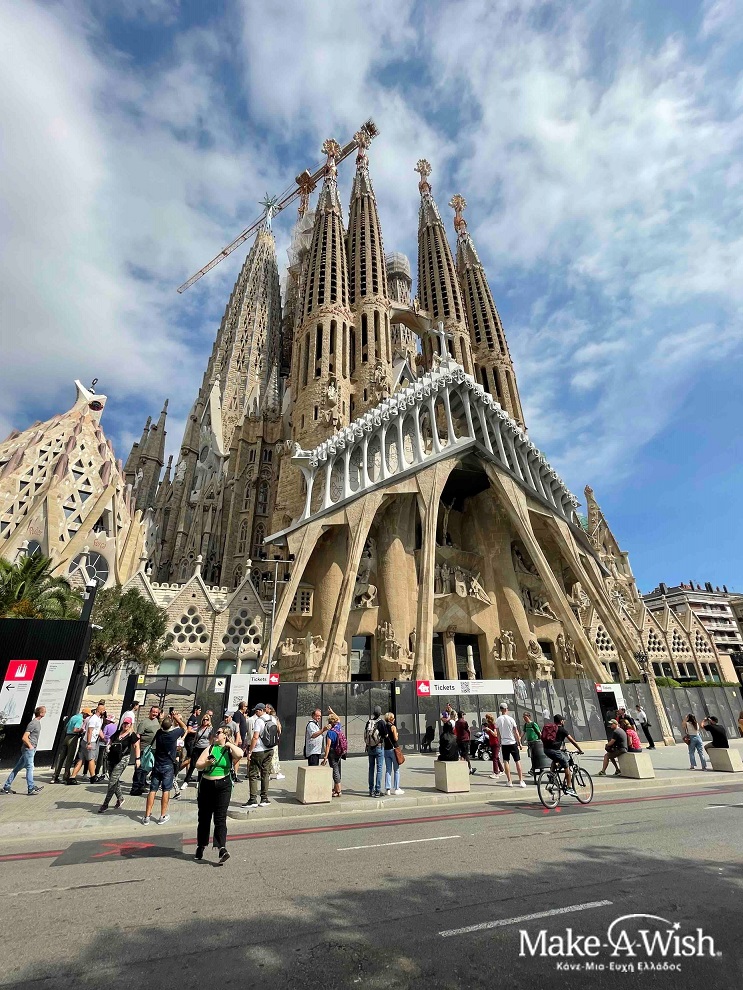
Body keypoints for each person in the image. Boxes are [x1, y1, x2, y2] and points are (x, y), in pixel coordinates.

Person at [194, 725, 243, 865]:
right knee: (204, 817)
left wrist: (229, 744)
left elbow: (240, 754)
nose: (216, 734)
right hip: (206, 785)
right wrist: (207, 762)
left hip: (223, 785)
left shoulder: (229, 750)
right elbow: (198, 765)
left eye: (219, 732)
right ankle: (201, 845)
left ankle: (222, 848)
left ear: (225, 735)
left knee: (220, 818)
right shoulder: (210, 748)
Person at [143, 711, 186, 825]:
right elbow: (184, 727)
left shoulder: (159, 733)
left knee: (153, 790)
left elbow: (164, 725)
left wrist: (169, 719)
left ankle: (147, 816)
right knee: (166, 790)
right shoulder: (173, 734)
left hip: (157, 764)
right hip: (168, 765)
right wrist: (176, 718)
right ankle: (162, 815)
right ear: (171, 726)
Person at [98, 716, 140, 813]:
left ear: (130, 725)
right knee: (114, 779)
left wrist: (137, 759)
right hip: (112, 758)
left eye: (127, 724)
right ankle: (120, 798)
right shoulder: (117, 732)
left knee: (112, 781)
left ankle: (105, 804)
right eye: (124, 723)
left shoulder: (132, 735)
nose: (125, 725)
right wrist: (108, 746)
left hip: (123, 759)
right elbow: (111, 741)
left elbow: (137, 746)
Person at [1, 706, 46, 796]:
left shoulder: (37, 723)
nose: (45, 713)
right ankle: (31, 788)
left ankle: (6, 786)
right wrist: (30, 746)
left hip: (30, 749)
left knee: (17, 768)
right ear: (40, 713)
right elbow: (24, 737)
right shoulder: (33, 723)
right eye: (44, 711)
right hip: (28, 749)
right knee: (30, 767)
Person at [245, 703, 279, 808]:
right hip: (270, 749)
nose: (256, 713)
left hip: (258, 750)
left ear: (261, 710)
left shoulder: (259, 721)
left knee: (253, 774)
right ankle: (264, 798)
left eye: (257, 711)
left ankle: (253, 799)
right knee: (265, 774)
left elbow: (255, 737)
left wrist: (250, 751)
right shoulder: (273, 719)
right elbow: (278, 730)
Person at [541, 714, 583, 795]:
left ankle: (551, 775)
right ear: (561, 721)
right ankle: (569, 788)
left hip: (546, 750)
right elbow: (572, 741)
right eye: (563, 720)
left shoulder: (551, 728)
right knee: (566, 766)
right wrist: (580, 750)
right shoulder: (562, 730)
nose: (564, 721)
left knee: (556, 759)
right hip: (555, 751)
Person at [68, 700, 105, 784]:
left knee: (81, 759)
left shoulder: (98, 719)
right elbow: (89, 731)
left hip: (88, 740)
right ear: (99, 710)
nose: (104, 712)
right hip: (90, 741)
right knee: (91, 759)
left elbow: (98, 730)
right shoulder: (93, 719)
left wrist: (103, 737)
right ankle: (93, 777)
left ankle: (72, 777)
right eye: (103, 710)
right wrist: (89, 743)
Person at [130, 704, 161, 795]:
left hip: (153, 749)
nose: (154, 714)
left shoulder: (157, 721)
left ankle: (141, 785)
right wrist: (137, 749)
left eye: (156, 712)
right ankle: (135, 788)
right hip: (144, 749)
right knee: (139, 769)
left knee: (146, 769)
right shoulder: (144, 723)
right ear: (150, 712)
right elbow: (138, 736)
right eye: (153, 712)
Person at [52, 705, 88, 783]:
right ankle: (66, 776)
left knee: (61, 757)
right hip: (73, 738)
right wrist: (81, 730)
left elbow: (66, 727)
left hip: (67, 737)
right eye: (87, 715)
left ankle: (55, 776)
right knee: (69, 758)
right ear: (84, 714)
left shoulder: (73, 717)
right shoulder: (80, 719)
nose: (87, 717)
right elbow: (75, 729)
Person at [496, 703, 526, 787]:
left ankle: (509, 781)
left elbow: (498, 734)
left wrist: (499, 743)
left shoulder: (498, 720)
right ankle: (521, 781)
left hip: (504, 743)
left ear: (501, 709)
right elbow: (516, 732)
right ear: (506, 709)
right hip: (512, 742)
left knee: (506, 761)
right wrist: (519, 743)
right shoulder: (511, 719)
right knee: (517, 761)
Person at [182, 714, 212, 787]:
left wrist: (210, 747)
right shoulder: (199, 728)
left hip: (205, 748)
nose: (205, 721)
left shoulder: (210, 729)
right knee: (192, 764)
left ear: (209, 721)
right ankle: (186, 781)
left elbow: (211, 739)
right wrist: (194, 745)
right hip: (197, 747)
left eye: (207, 720)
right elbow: (195, 737)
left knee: (201, 765)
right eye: (204, 719)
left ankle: (199, 781)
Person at [364, 705, 388, 797]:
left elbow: (366, 734)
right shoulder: (381, 722)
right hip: (379, 747)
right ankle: (377, 790)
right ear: (380, 713)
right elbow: (385, 735)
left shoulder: (369, 722)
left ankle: (371, 790)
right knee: (379, 769)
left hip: (370, 747)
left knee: (371, 768)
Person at [322, 714, 345, 797]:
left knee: (335, 770)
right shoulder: (338, 727)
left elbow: (328, 745)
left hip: (332, 752)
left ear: (330, 723)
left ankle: (338, 790)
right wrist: (331, 712)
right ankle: (335, 789)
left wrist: (325, 757)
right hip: (339, 751)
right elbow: (338, 718)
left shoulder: (330, 732)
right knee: (338, 769)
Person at [383, 712, 404, 795]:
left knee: (388, 769)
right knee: (396, 769)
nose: (394, 719)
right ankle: (396, 788)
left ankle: (387, 789)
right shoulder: (393, 727)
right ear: (391, 719)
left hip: (386, 749)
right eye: (393, 718)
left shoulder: (384, 727)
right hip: (393, 749)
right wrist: (397, 735)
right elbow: (395, 739)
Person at [94, 712, 118, 781]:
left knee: (101, 759)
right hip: (112, 744)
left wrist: (103, 738)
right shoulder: (116, 727)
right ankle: (109, 773)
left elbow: (103, 735)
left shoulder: (107, 726)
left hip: (104, 743)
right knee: (109, 759)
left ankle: (99, 773)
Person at [266, 704, 285, 780]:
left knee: (268, 757)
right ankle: (277, 773)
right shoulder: (275, 718)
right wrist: (278, 735)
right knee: (274, 757)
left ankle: (268, 774)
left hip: (267, 740)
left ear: (269, 709)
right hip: (274, 740)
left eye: (266, 708)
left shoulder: (265, 718)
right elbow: (279, 728)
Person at [483, 713, 503, 778]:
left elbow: (495, 734)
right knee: (496, 757)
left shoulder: (494, 725)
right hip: (492, 742)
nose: (486, 719)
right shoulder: (489, 725)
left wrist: (489, 730)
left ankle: (496, 773)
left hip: (496, 743)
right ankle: (502, 770)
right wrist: (486, 730)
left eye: (486, 718)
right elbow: (489, 734)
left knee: (494, 757)